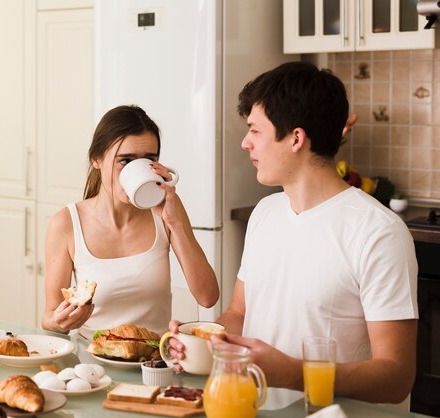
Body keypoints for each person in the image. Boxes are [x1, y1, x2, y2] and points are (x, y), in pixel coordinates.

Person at [167, 61, 417, 404]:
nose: (245, 143)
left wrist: (296, 374)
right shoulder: (265, 213)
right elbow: (239, 313)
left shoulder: (378, 232)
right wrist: (204, 340)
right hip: (254, 408)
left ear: (296, 138)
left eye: (255, 131)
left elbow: (396, 376)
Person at [41, 105, 219, 339]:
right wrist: (60, 322)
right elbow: (49, 316)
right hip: (93, 363)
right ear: (97, 159)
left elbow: (208, 297)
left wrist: (174, 223)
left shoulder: (167, 213)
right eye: (125, 161)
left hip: (153, 363)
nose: (138, 170)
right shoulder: (65, 223)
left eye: (149, 160)